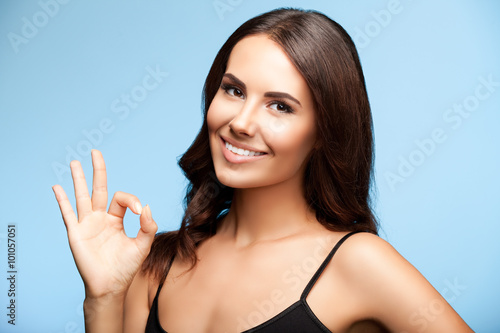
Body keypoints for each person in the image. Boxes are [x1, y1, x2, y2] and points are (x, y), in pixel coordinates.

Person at [52, 8, 473, 333]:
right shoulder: (156, 266)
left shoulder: (359, 263)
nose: (241, 122)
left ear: (325, 131)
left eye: (280, 106)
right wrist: (103, 298)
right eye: (233, 90)